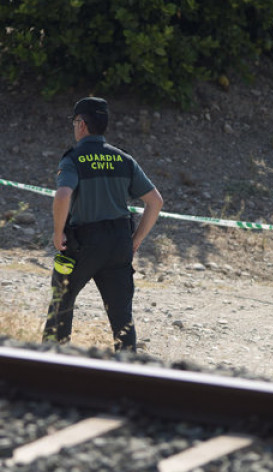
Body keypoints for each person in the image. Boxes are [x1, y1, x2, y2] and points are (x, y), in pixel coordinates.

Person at [43, 97, 164, 352]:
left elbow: (63, 195)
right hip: (120, 242)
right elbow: (155, 201)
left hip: (84, 243)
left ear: (82, 124)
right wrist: (136, 239)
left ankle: (52, 364)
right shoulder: (123, 159)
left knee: (61, 304)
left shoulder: (73, 159)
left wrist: (57, 232)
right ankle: (127, 369)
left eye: (75, 122)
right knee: (122, 317)